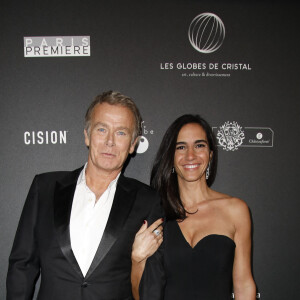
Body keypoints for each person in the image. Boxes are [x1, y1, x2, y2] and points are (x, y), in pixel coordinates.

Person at [6, 91, 163, 300]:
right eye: (101, 129)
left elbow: (152, 285)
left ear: (133, 144)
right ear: (87, 136)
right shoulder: (44, 188)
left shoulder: (148, 200)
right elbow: (22, 265)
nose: (110, 141)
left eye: (121, 133)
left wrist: (138, 259)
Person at [132, 114, 256, 300]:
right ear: (171, 157)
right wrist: (137, 259)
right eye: (181, 147)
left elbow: (244, 285)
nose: (190, 155)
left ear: (210, 154)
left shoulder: (236, 210)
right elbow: (140, 294)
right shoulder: (156, 212)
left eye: (199, 145)